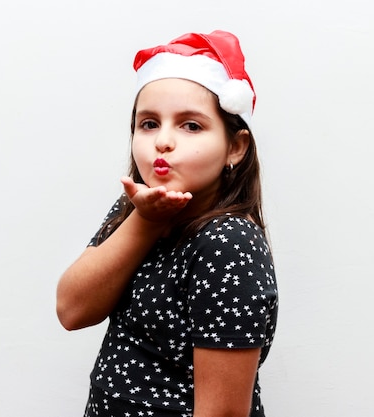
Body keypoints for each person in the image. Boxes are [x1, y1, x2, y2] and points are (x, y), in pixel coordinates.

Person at [56, 30, 278, 417]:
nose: (163, 142)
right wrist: (144, 221)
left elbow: (222, 412)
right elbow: (72, 309)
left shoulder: (228, 244)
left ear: (236, 147)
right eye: (149, 124)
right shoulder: (139, 207)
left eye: (191, 126)